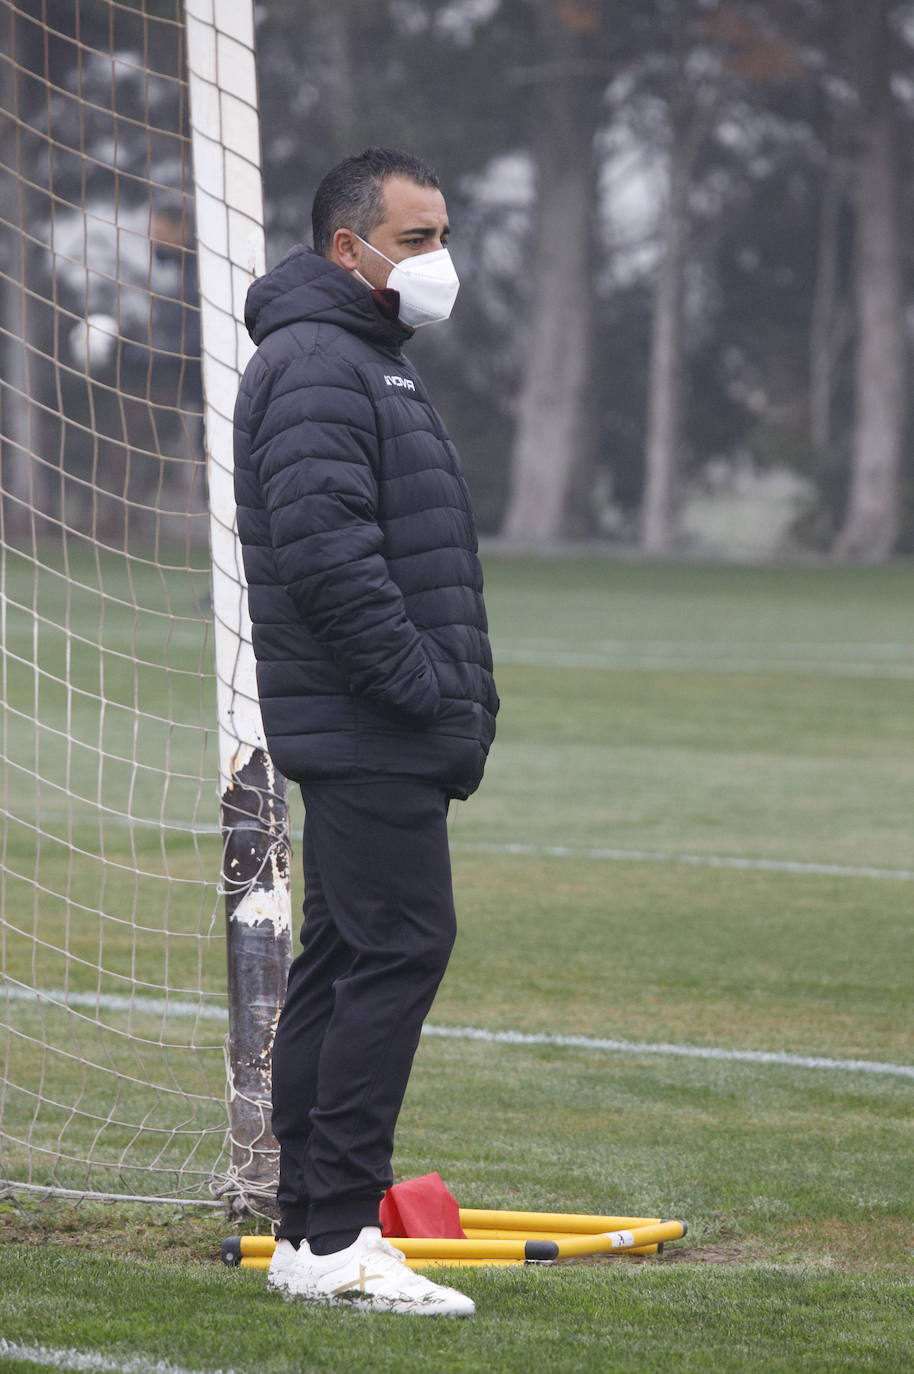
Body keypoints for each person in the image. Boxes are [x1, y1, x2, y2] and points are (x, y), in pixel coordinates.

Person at [233, 147, 498, 1316]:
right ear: (348, 246)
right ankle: (340, 1237)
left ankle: (306, 1238)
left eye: (444, 233)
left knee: (344, 963)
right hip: (370, 725)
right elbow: (327, 555)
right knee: (393, 952)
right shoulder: (317, 363)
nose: (440, 259)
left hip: (375, 725)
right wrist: (424, 689)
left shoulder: (362, 359)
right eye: (418, 237)